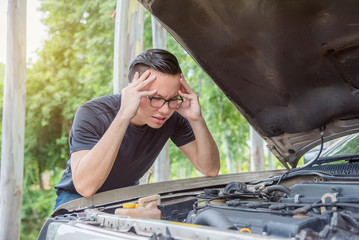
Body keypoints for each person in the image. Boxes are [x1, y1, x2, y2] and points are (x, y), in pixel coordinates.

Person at [53, 49, 220, 209]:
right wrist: (124, 115)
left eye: (172, 99)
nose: (164, 110)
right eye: (156, 98)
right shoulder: (92, 114)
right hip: (76, 199)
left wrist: (197, 120)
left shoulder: (173, 115)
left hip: (126, 195)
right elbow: (86, 187)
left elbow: (210, 169)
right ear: (134, 90)